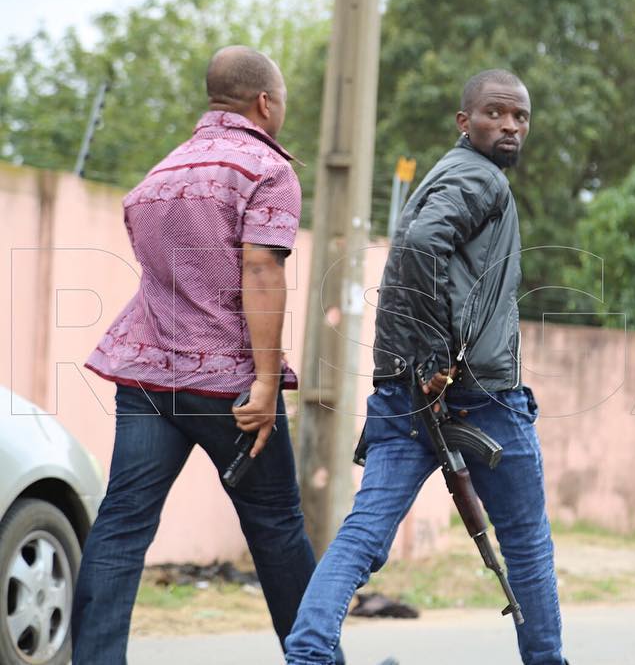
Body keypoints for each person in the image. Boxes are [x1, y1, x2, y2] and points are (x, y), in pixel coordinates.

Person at [284, 70, 567, 665]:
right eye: (495, 113)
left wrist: (419, 364)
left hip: (403, 391)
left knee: (364, 535)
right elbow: (419, 247)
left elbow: (418, 250)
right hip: (480, 396)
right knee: (526, 543)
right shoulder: (480, 178)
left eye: (520, 117)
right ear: (465, 121)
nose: (510, 126)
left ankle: (308, 653)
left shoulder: (448, 175)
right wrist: (435, 359)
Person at [74, 46, 343, 665]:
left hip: (146, 376)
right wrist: (267, 382)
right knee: (277, 528)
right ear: (265, 103)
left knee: (121, 526)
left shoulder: (158, 175)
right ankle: (317, 661)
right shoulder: (266, 169)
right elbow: (261, 271)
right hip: (229, 386)